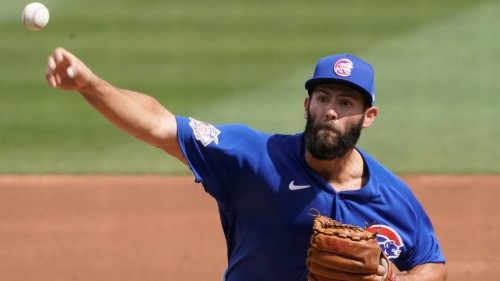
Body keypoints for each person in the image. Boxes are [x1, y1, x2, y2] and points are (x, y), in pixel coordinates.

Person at [45, 48, 447, 281]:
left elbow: (433, 264)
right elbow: (157, 124)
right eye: (323, 97)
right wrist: (89, 84)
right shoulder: (256, 157)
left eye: (346, 103)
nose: (330, 111)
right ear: (307, 105)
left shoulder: (393, 195)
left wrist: (398, 277)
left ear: (367, 117)